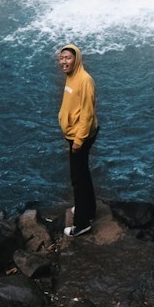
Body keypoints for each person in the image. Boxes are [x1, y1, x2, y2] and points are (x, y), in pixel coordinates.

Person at [57, 43, 98, 236]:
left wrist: (79, 140)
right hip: (73, 134)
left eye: (68, 58)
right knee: (82, 174)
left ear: (77, 59)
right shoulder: (71, 76)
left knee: (77, 180)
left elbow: (88, 114)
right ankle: (88, 209)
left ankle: (82, 223)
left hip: (80, 136)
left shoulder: (85, 80)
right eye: (62, 58)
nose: (64, 61)